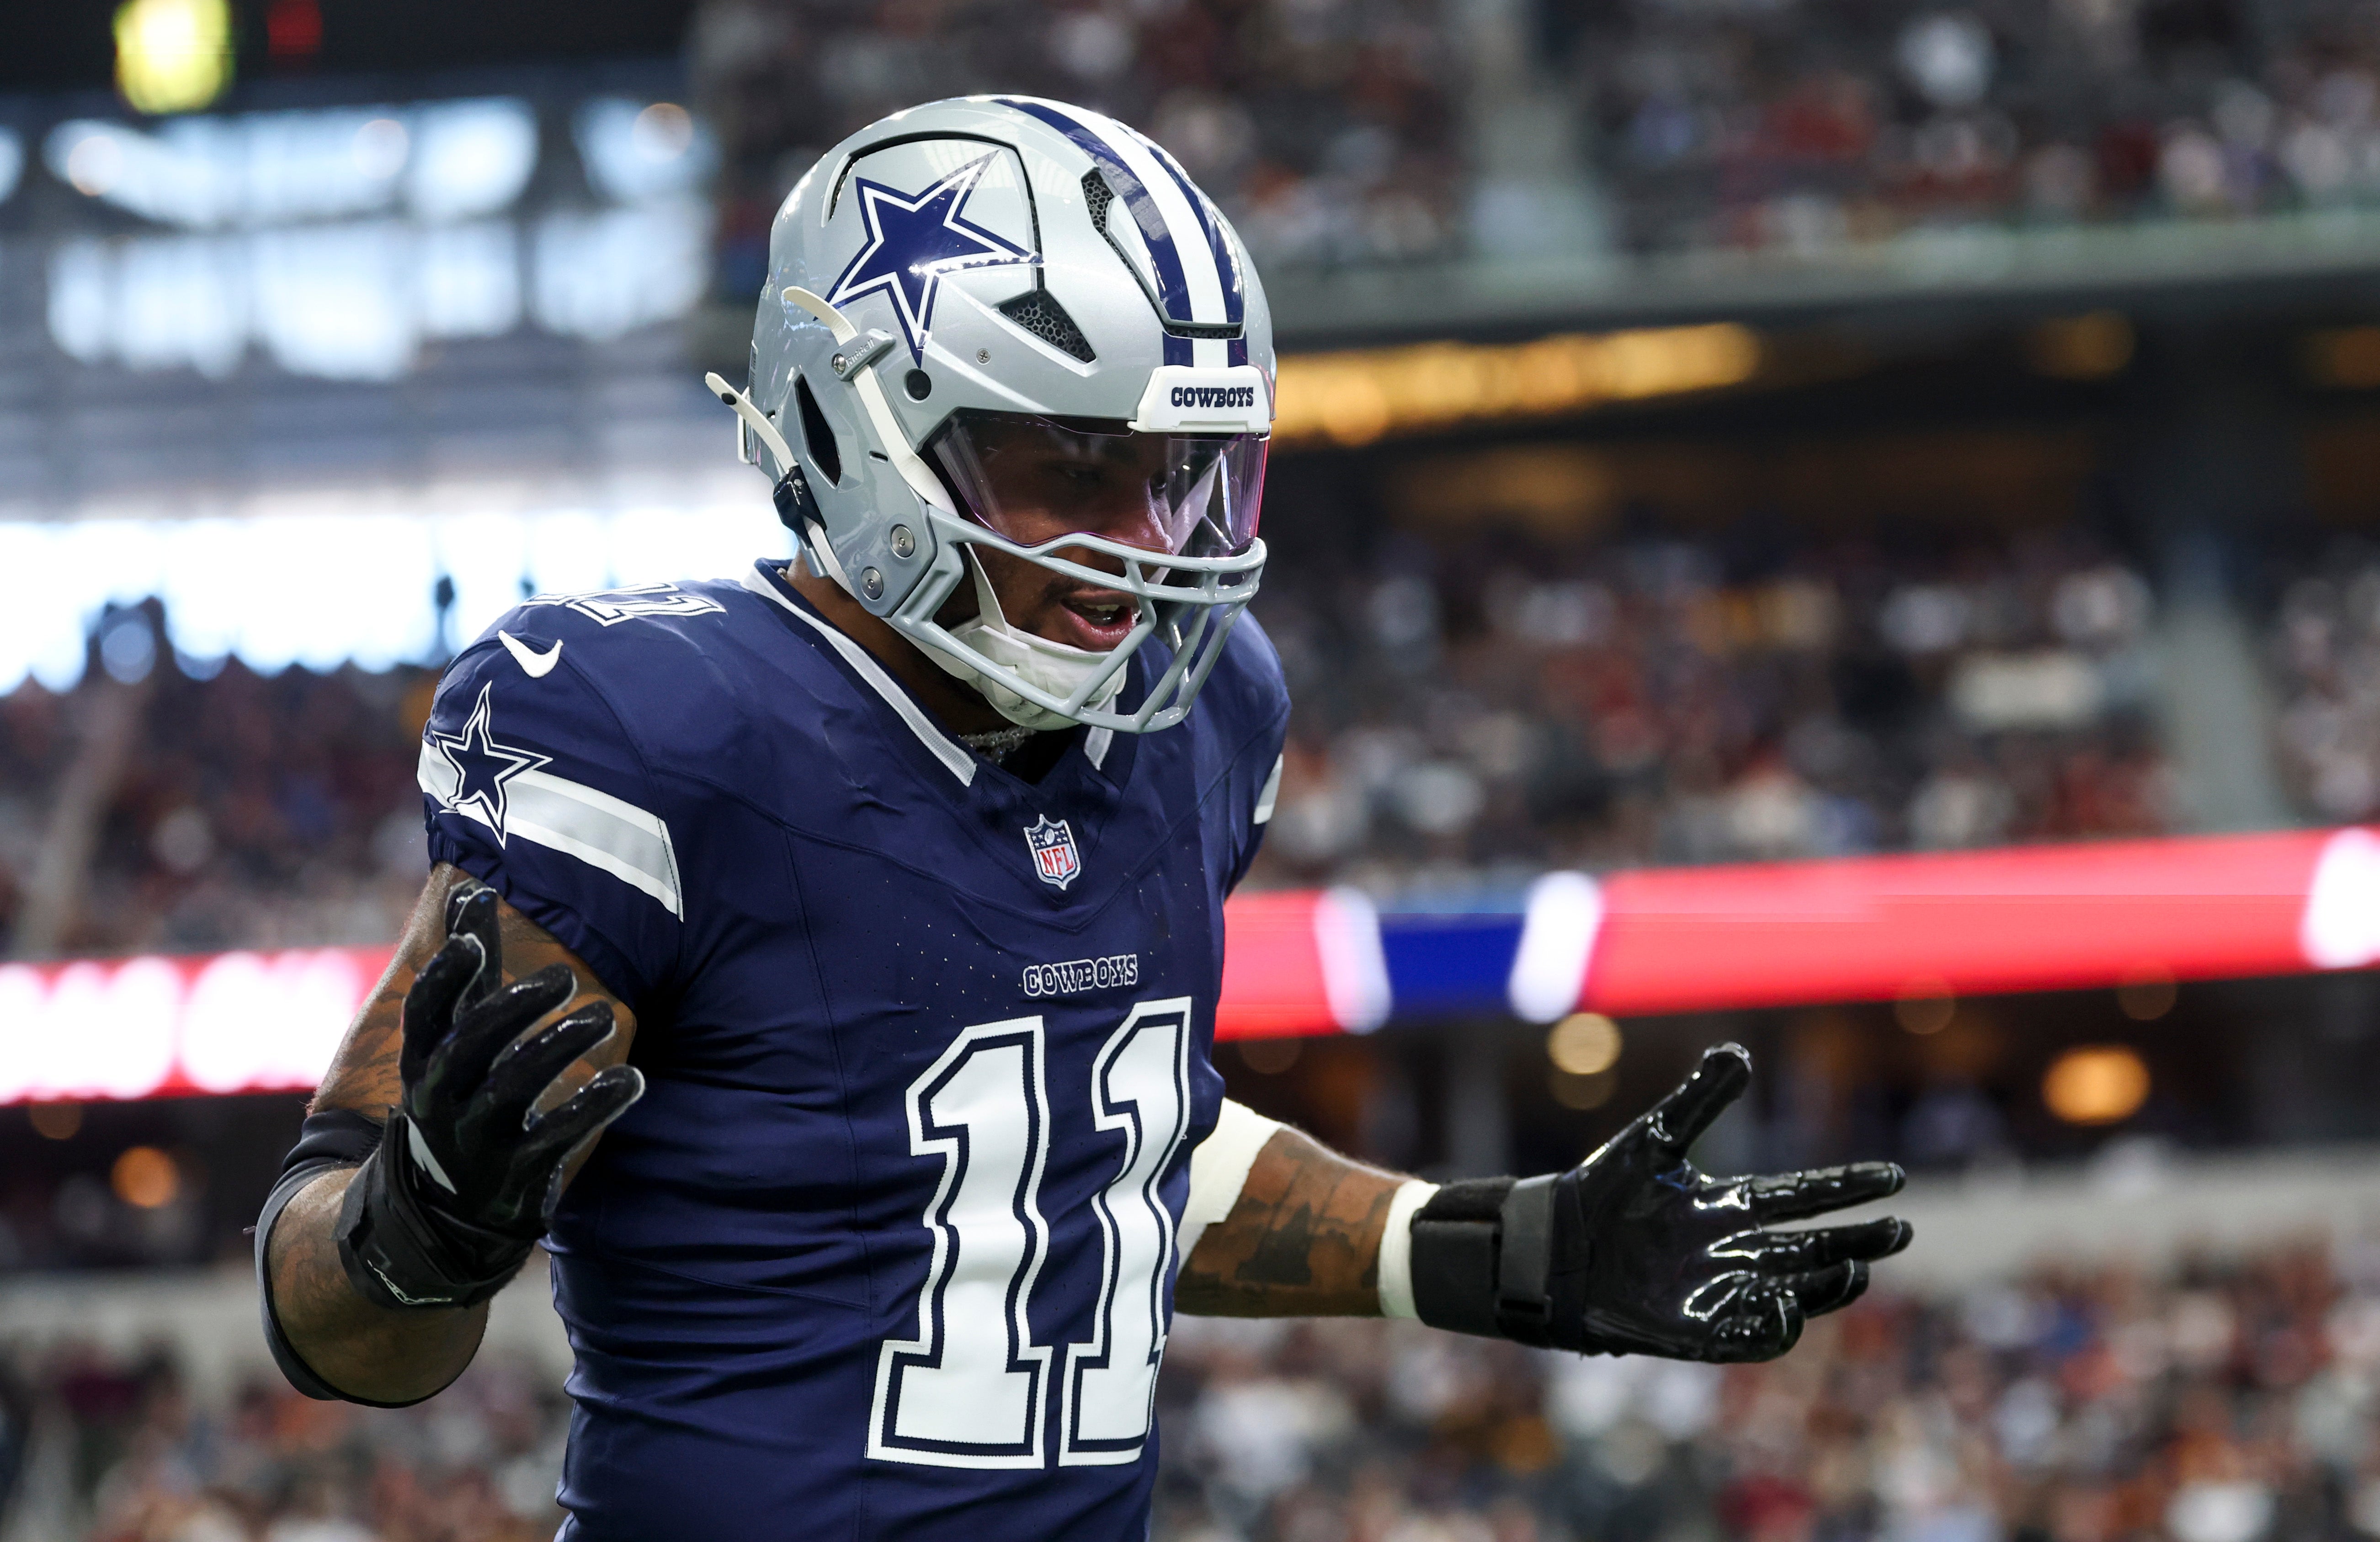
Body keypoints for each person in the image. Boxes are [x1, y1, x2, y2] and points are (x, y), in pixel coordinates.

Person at [253, 96, 1911, 1540]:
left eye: (1177, 475)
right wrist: (426, 1220)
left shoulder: (1204, 712)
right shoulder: (645, 733)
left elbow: (1106, 1153)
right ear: (853, 421)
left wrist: (1493, 1246)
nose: (1146, 546)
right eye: (1071, 466)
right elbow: (333, 1326)